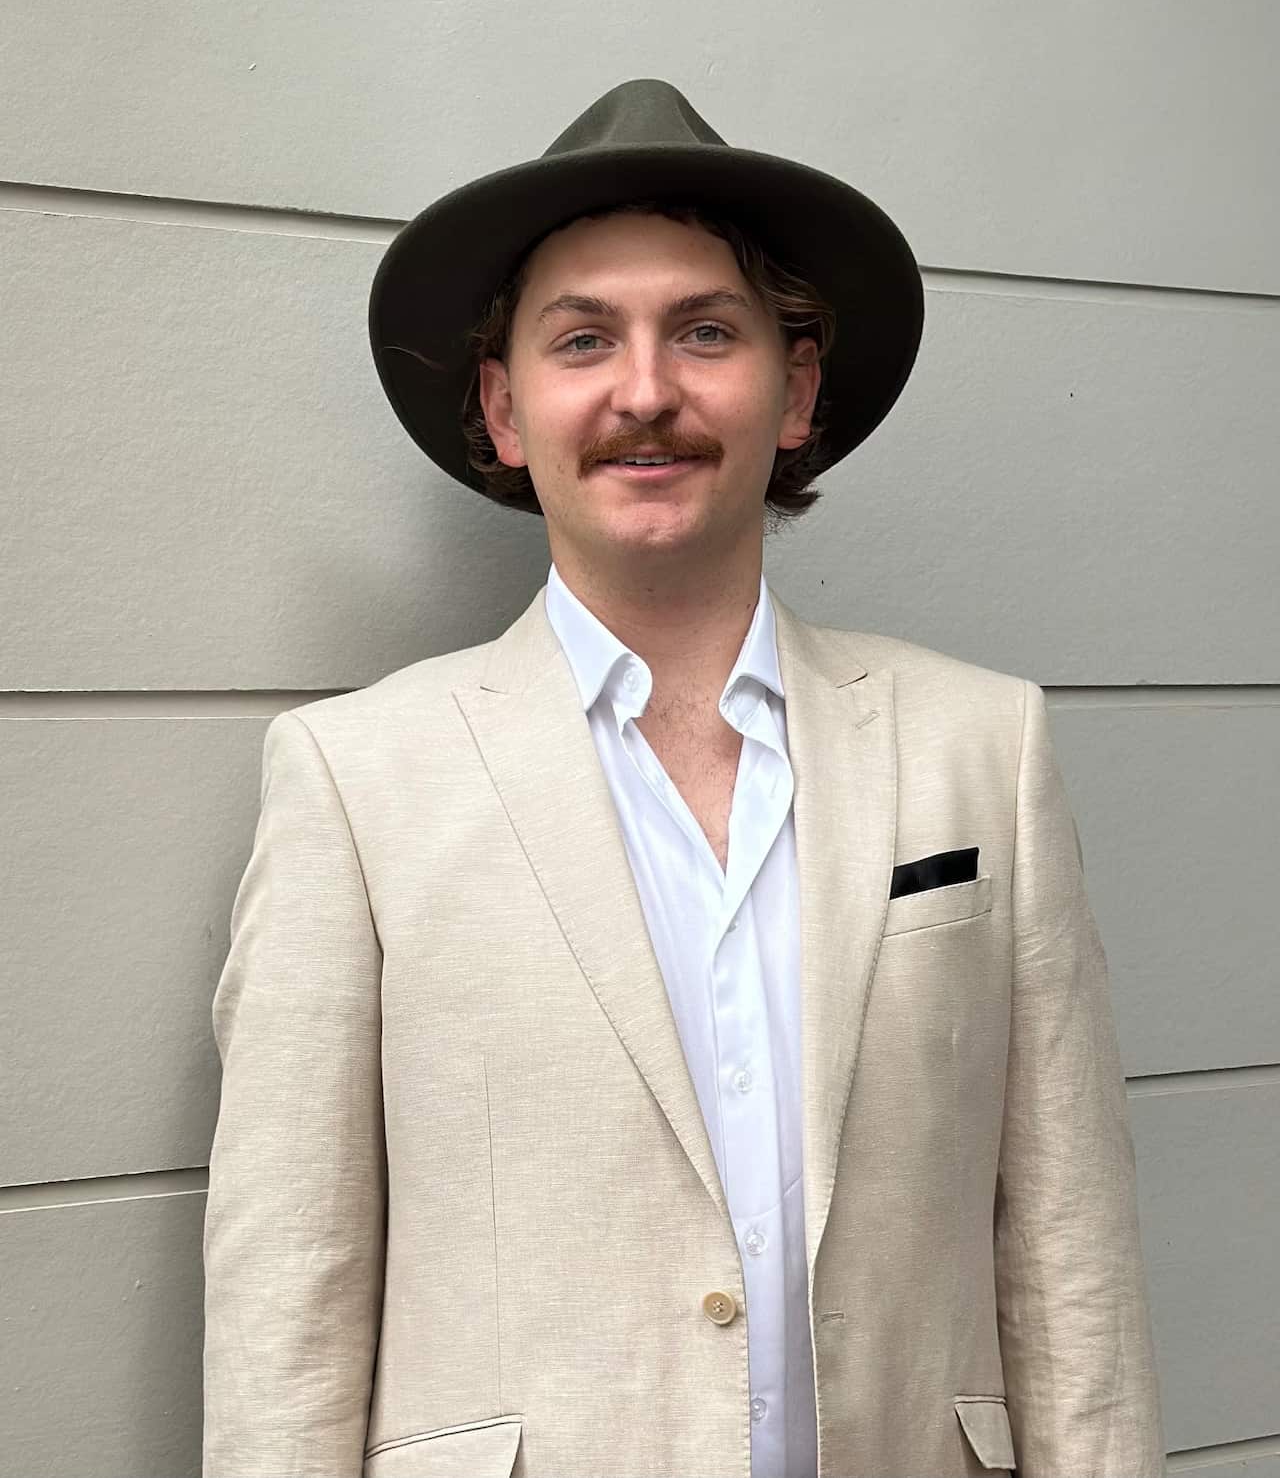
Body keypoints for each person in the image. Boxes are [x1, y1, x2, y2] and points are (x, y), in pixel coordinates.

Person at [201, 78, 1166, 1477]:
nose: (645, 390)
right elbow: (285, 1297)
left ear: (799, 388)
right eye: (583, 338)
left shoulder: (983, 747)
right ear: (506, 406)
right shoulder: (355, 782)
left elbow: (1071, 1253)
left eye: (705, 332)